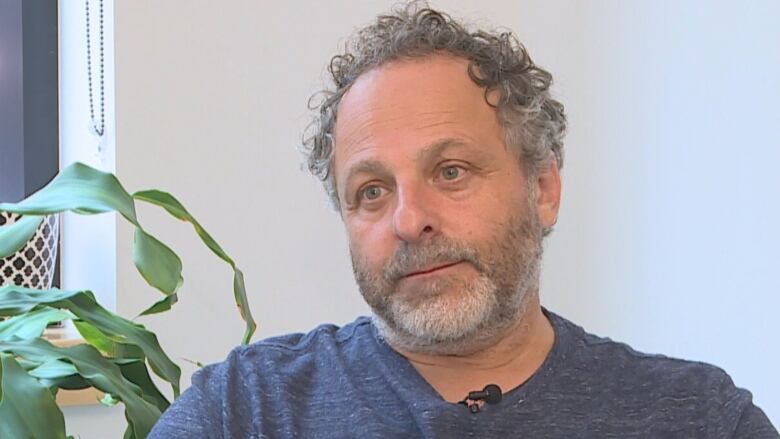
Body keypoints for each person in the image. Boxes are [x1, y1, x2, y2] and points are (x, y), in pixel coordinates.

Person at [150, 3, 778, 438]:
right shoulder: (243, 410)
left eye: (451, 171)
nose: (410, 219)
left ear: (544, 188)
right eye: (371, 190)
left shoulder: (695, 418)